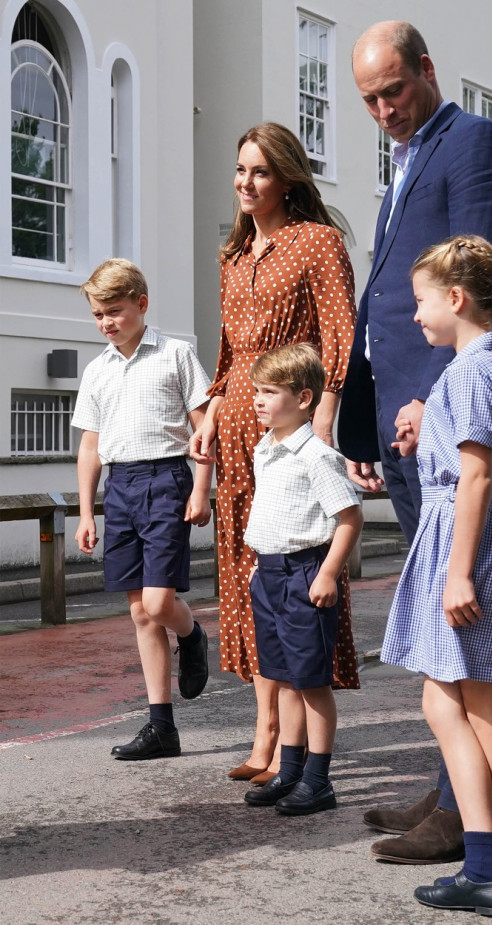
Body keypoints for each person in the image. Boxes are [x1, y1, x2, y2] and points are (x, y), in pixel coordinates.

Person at [337, 20, 492, 865]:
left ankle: (470, 822)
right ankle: (449, 789)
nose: (383, 109)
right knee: (435, 630)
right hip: (398, 410)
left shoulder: (476, 144)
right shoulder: (400, 159)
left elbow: (473, 277)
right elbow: (386, 299)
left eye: (394, 89)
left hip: (437, 410)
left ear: (427, 70)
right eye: (369, 99)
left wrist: (429, 397)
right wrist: (361, 417)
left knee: (454, 629)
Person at [189, 123, 359, 784]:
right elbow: (229, 356)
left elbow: (339, 338)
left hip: (290, 430)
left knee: (297, 567)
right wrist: (206, 418)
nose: (246, 183)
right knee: (246, 580)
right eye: (240, 170)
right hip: (234, 430)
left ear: (287, 177)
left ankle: (295, 744)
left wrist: (322, 424)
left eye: (260, 171)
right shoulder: (233, 255)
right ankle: (264, 730)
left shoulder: (317, 243)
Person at [385, 235, 492, 915]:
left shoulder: (472, 371)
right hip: (468, 539)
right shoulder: (481, 367)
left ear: (455, 299)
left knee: (456, 705)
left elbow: (476, 472)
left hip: (467, 546)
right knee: (481, 710)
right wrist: (428, 433)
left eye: (421, 300)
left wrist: (458, 575)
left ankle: (485, 865)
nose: (415, 313)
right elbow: (466, 460)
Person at [72, 258, 212, 760]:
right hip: (122, 486)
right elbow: (90, 446)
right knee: (139, 613)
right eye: (98, 314)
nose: (107, 322)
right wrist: (87, 513)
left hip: (168, 479)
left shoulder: (176, 353)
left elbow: (202, 430)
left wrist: (201, 490)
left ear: (141, 304)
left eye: (115, 311)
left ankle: (192, 635)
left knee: (158, 604)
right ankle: (161, 728)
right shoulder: (96, 370)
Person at [239, 344, 363, 815]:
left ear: (305, 398)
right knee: (282, 678)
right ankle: (288, 771)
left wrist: (329, 572)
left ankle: (318, 779)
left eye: (270, 392)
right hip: (269, 574)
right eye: (257, 391)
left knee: (311, 682)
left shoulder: (316, 455)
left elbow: (350, 518)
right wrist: (259, 565)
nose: (258, 400)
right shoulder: (265, 447)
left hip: (306, 575)